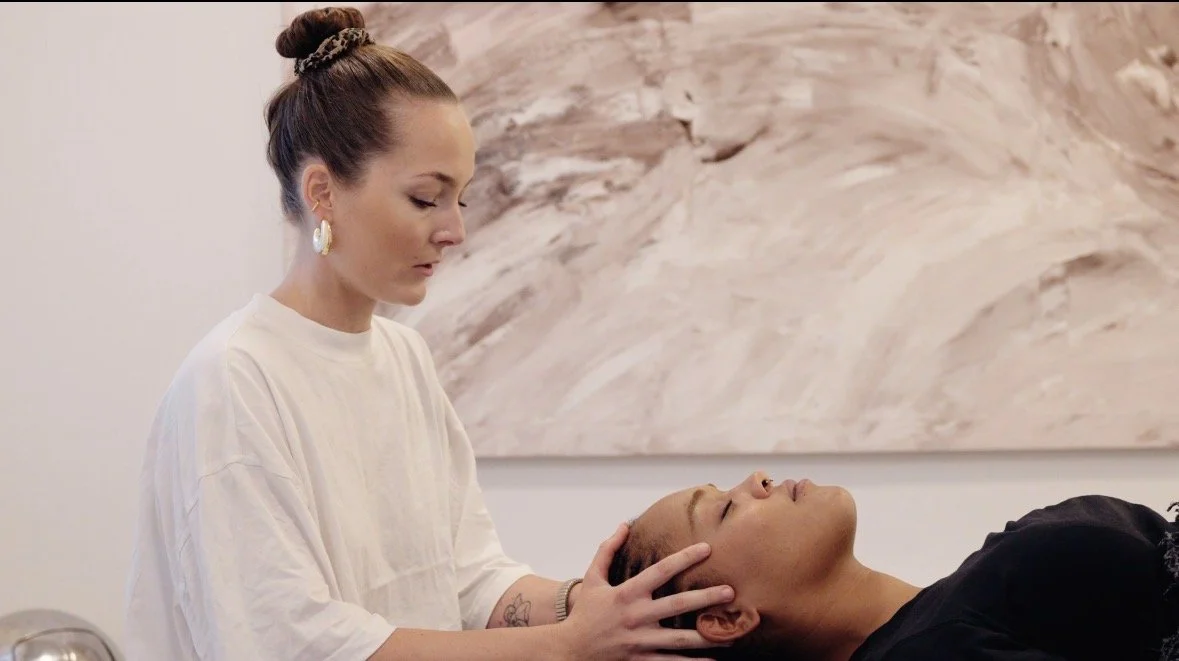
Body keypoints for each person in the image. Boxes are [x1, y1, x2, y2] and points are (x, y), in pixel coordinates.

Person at [121, 6, 735, 661]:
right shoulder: (233, 379)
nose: (454, 231)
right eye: (425, 198)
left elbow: (470, 578)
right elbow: (291, 642)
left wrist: (595, 606)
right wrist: (566, 642)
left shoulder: (402, 356)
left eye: (459, 198)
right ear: (322, 193)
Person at [607, 471, 1179, 661]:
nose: (757, 479)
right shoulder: (926, 653)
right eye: (726, 509)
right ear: (728, 617)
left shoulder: (946, 612)